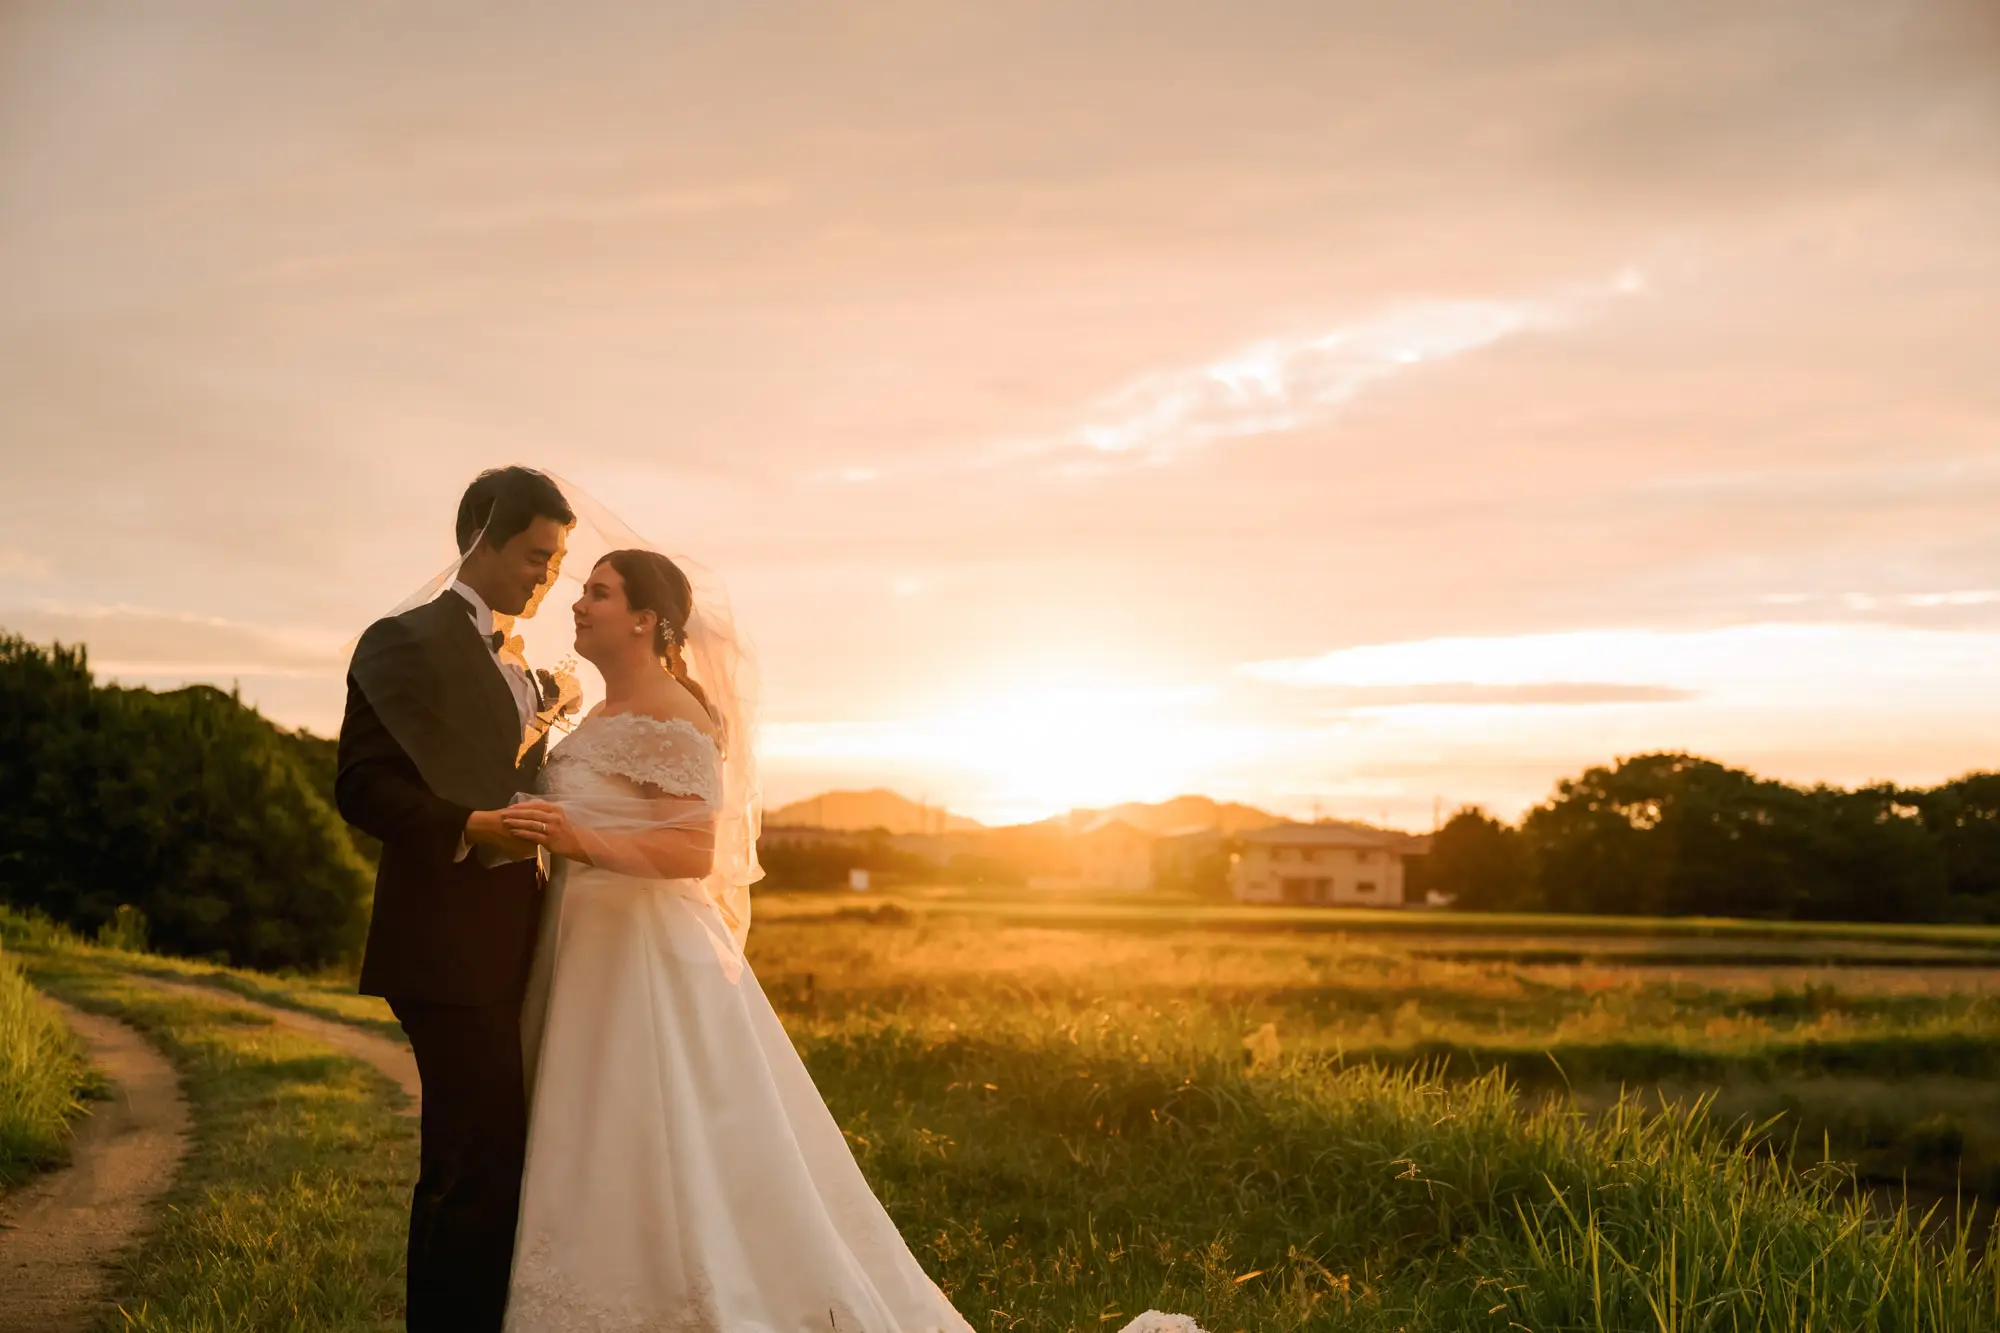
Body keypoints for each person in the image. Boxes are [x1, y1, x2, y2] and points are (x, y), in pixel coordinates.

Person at [336, 466, 574, 1332]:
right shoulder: (403, 641)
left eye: (556, 563)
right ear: (479, 538)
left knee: (493, 1156)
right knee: (473, 1159)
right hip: (442, 946)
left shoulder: (523, 664)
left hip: (520, 941)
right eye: (534, 557)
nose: (545, 578)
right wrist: (470, 825)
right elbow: (361, 786)